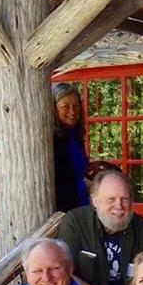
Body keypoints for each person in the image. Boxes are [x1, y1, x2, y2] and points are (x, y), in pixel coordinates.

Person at [58, 166, 143, 285]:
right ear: (94, 200)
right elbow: (64, 274)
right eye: (111, 199)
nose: (119, 206)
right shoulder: (75, 222)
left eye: (124, 199)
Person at [52, 82, 90, 212]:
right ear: (53, 109)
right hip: (64, 211)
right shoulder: (51, 140)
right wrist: (85, 185)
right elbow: (59, 182)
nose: (72, 111)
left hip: (83, 205)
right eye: (65, 106)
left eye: (76, 106)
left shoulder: (74, 135)